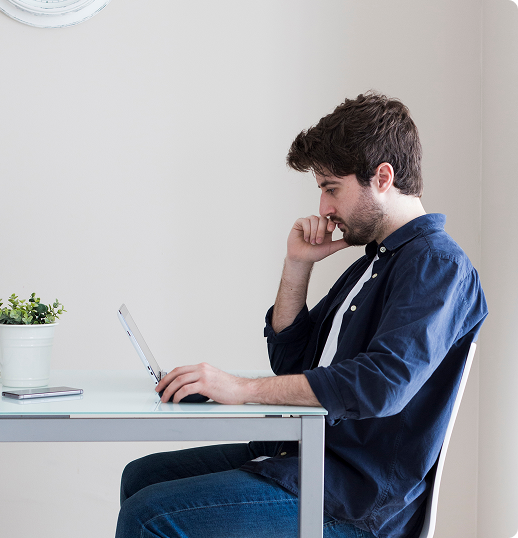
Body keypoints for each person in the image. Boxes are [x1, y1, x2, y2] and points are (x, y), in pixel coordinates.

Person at [115, 92, 488, 538]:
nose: (324, 209)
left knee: (149, 515)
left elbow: (380, 385)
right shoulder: (373, 261)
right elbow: (292, 367)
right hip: (302, 459)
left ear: (382, 177)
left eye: (332, 188)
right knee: (140, 478)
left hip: (353, 498)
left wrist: (239, 388)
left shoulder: (436, 265)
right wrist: (298, 264)